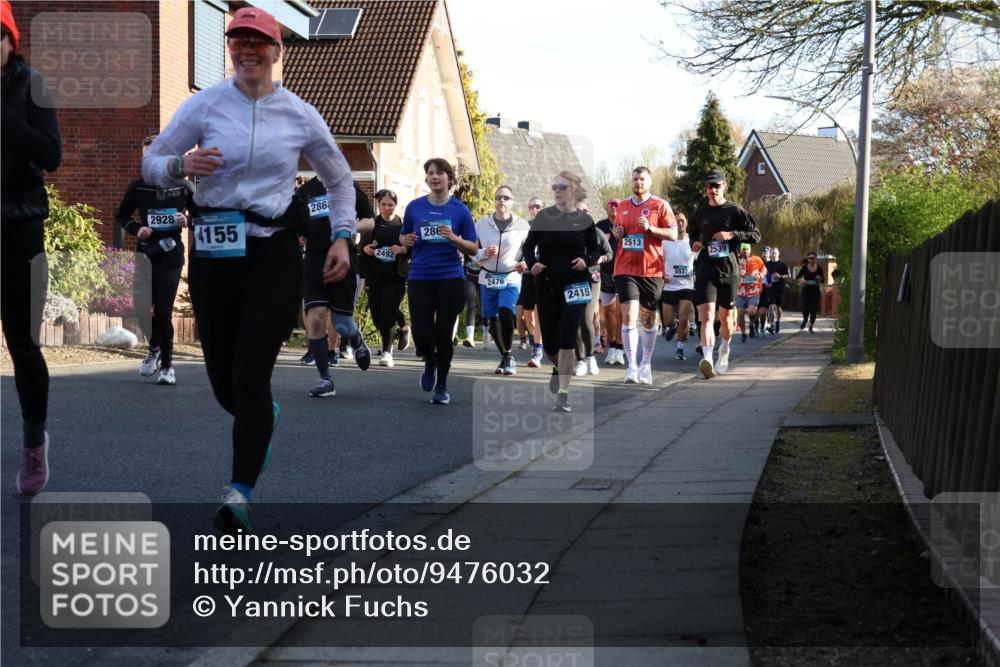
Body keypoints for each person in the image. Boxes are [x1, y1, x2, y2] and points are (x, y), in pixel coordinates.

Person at [143, 6, 356, 532]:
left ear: (277, 50)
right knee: (222, 382)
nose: (246, 52)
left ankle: (238, 492)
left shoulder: (300, 115)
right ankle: (260, 419)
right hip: (216, 248)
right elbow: (152, 159)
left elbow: (340, 180)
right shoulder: (205, 104)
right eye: (237, 43)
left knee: (251, 374)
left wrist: (344, 237)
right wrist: (178, 165)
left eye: (257, 43)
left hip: (274, 249)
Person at [1, 0, 61, 495]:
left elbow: (51, 154)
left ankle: (33, 442)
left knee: (21, 340)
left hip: (19, 227)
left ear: (9, 41)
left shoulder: (32, 86)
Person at [399, 158, 478, 405]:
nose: (434, 177)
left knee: (444, 334)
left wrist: (454, 238)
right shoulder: (414, 207)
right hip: (420, 275)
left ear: (449, 179)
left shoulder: (460, 210)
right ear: (427, 179)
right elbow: (403, 236)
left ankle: (441, 385)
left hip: (450, 277)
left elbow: (474, 248)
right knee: (422, 332)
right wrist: (406, 240)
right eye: (430, 173)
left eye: (440, 173)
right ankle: (430, 361)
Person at [522, 172, 602, 412]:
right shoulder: (544, 217)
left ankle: (564, 395)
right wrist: (531, 262)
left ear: (574, 189)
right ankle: (557, 367)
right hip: (546, 283)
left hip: (576, 284)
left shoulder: (585, 221)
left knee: (568, 338)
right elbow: (528, 246)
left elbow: (596, 252)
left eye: (562, 187)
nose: (557, 191)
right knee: (550, 346)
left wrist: (585, 260)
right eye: (554, 186)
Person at [117, 135, 193, 386]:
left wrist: (187, 220)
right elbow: (121, 215)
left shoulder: (183, 186)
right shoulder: (138, 187)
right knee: (140, 310)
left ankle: (168, 367)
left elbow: (203, 215)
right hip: (146, 255)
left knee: (163, 312)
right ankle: (154, 348)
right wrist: (136, 229)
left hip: (171, 257)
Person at [299, 176, 374, 397]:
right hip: (314, 260)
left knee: (341, 324)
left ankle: (356, 337)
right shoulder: (306, 190)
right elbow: (296, 221)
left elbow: (369, 220)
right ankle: (325, 379)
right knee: (316, 317)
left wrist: (352, 226)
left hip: (344, 258)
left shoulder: (348, 184)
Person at [688, 169, 761, 379]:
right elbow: (693, 231)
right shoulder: (700, 212)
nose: (713, 190)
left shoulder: (735, 211)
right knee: (707, 316)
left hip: (729, 271)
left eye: (717, 186)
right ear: (705, 188)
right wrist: (694, 241)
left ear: (724, 186)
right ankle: (708, 360)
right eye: (709, 186)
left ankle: (725, 349)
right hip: (705, 269)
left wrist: (732, 234)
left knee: (727, 318)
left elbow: (756, 234)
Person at [612, 166, 678, 384]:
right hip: (625, 268)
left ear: (649, 182)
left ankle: (645, 364)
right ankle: (631, 367)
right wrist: (617, 233)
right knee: (629, 314)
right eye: (634, 179)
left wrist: (650, 229)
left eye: (642, 179)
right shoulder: (622, 205)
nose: (638, 182)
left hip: (651, 269)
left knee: (648, 320)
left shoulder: (660, 205)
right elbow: (617, 231)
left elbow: (673, 234)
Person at [473, 185, 530, 375]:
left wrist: (526, 264)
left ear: (512, 202)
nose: (502, 201)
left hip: (511, 276)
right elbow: (470, 250)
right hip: (487, 276)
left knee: (506, 311)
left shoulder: (523, 226)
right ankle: (505, 356)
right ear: (494, 201)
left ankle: (508, 355)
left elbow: (533, 251)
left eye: (506, 198)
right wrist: (483, 253)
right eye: (499, 197)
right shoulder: (481, 224)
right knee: (490, 317)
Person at [360, 189, 410, 367]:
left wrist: (402, 249)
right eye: (383, 205)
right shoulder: (372, 224)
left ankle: (387, 352)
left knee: (388, 309)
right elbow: (361, 246)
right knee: (377, 315)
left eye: (391, 205)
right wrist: (365, 249)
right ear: (378, 205)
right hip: (375, 275)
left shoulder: (403, 225)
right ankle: (403, 326)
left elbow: (412, 249)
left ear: (396, 205)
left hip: (396, 275)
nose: (387, 208)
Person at [575, 203, 611, 376]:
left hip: (592, 279)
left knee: (587, 319)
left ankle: (590, 357)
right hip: (572, 281)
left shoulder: (596, 233)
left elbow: (609, 253)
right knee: (574, 321)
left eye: (585, 211)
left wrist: (602, 258)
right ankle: (580, 360)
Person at [660, 212, 697, 361]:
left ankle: (680, 348)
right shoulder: (665, 242)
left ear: (686, 223)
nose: (680, 223)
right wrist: (662, 273)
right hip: (669, 286)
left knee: (684, 319)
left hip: (686, 285)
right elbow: (657, 260)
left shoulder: (692, 243)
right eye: (677, 221)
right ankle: (672, 326)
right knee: (668, 321)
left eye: (682, 220)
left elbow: (701, 259)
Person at [517, 197, 545, 367]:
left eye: (538, 206)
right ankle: (536, 341)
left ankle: (538, 348)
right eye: (532, 207)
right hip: (527, 275)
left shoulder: (550, 227)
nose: (535, 209)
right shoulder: (524, 228)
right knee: (527, 315)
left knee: (538, 312)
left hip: (542, 274)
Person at [596, 199, 624, 365]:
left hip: (624, 271)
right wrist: (603, 241)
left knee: (621, 311)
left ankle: (620, 347)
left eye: (616, 205)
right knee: (608, 312)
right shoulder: (600, 226)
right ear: (606, 208)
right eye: (610, 205)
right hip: (606, 272)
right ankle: (611, 346)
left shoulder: (625, 224)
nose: (613, 208)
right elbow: (592, 246)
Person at [735, 243, 766, 343]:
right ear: (740, 250)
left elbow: (764, 270)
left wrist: (760, 276)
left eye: (747, 249)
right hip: (740, 291)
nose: (745, 251)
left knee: (752, 311)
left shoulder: (756, 259)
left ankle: (752, 324)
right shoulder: (736, 259)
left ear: (750, 250)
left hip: (754, 290)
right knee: (740, 313)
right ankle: (743, 333)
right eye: (743, 249)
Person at [797, 251, 825, 333]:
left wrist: (819, 278)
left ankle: (811, 327)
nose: (811, 260)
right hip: (806, 290)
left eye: (813, 258)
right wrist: (802, 281)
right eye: (809, 258)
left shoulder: (819, 268)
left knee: (813, 309)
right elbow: (798, 277)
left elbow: (823, 280)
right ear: (808, 259)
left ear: (815, 259)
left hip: (815, 290)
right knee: (806, 307)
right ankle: (805, 319)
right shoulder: (805, 267)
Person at [766, 247, 790, 333]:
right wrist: (767, 281)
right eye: (772, 253)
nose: (773, 255)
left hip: (780, 287)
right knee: (771, 306)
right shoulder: (767, 264)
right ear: (770, 254)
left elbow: (788, 275)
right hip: (770, 287)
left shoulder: (782, 264)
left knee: (778, 307)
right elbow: (763, 274)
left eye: (775, 253)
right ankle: (771, 325)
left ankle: (778, 322)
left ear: (778, 254)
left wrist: (780, 276)